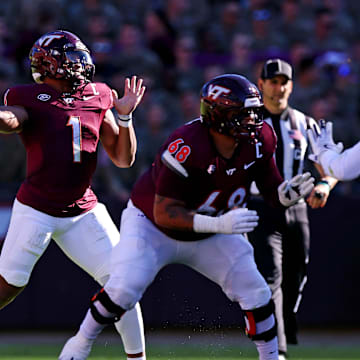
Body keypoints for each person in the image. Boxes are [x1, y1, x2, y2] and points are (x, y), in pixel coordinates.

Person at [59, 73, 314, 360]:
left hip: (214, 227)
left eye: (254, 113)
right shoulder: (186, 145)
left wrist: (284, 195)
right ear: (218, 116)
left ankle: (270, 358)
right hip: (153, 226)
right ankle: (80, 344)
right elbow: (165, 212)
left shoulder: (260, 138)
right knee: (124, 288)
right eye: (243, 114)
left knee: (255, 290)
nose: (253, 121)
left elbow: (270, 186)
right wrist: (218, 224)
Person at [0, 30, 146, 360]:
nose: (80, 64)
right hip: (37, 208)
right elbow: (13, 119)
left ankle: (138, 358)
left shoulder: (99, 94)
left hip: (83, 209)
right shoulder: (28, 96)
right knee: (9, 285)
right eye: (71, 57)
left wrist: (125, 117)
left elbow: (124, 159)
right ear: (49, 66)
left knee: (124, 283)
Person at [247, 58, 338, 359]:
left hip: (297, 210)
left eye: (284, 81)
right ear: (261, 85)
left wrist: (324, 185)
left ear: (291, 86)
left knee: (296, 275)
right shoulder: (248, 122)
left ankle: (282, 324)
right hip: (261, 206)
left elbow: (331, 165)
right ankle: (278, 350)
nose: (279, 87)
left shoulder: (305, 123)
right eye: (272, 81)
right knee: (270, 278)